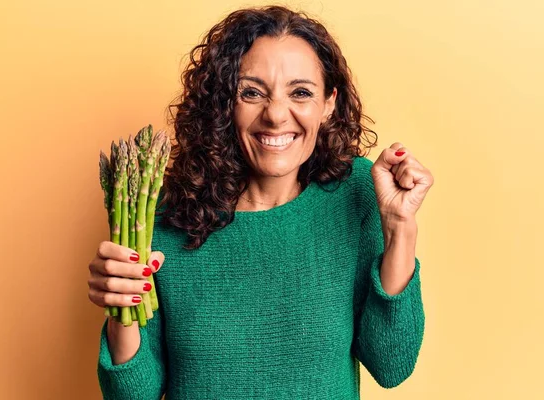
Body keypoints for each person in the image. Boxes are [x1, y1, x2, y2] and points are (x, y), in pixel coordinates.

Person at [87, 5, 434, 399]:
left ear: (329, 103)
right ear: (224, 102)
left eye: (300, 92)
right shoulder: (160, 213)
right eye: (251, 92)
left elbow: (391, 364)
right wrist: (122, 307)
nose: (275, 115)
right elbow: (134, 396)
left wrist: (400, 226)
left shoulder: (356, 192)